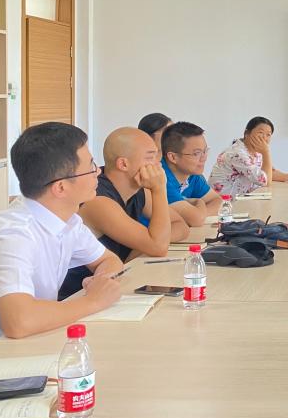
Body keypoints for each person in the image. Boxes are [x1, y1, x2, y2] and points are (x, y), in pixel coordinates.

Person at [0, 122, 123, 364]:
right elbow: (19, 322)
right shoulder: (11, 234)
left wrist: (102, 281)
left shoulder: (67, 220)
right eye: (90, 167)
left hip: (29, 345)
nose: (98, 172)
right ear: (61, 187)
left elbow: (109, 260)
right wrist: (93, 300)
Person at [59, 127, 190, 299]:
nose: (158, 164)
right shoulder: (98, 200)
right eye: (150, 157)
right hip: (77, 296)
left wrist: (141, 246)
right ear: (123, 164)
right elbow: (159, 247)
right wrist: (159, 189)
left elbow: (181, 226)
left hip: (115, 286)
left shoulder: (138, 190)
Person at [209, 116, 288, 197]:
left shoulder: (256, 151)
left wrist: (287, 176)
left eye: (268, 135)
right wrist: (266, 152)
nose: (264, 138)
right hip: (224, 205)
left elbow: (266, 172)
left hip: (241, 200)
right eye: (260, 133)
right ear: (247, 133)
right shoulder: (237, 154)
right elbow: (265, 181)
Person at [160, 121, 222, 227]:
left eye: (205, 151)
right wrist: (199, 202)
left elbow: (217, 201)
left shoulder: (192, 174)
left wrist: (200, 214)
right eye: (197, 153)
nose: (204, 158)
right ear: (173, 157)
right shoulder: (160, 177)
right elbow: (195, 219)